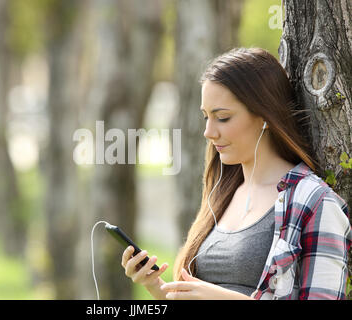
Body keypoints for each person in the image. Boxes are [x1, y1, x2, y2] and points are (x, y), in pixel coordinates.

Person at [121, 47, 352, 300]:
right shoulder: (223, 192)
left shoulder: (316, 202)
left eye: (222, 118)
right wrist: (157, 287)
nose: (208, 132)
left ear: (265, 115)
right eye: (206, 117)